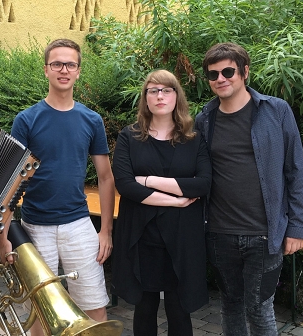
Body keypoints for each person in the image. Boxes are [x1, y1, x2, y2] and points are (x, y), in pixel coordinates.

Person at [0, 38, 115, 336]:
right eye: (57, 64)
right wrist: (3, 236)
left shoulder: (91, 119)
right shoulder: (26, 119)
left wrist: (106, 231)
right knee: (41, 311)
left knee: (95, 307)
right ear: (46, 70)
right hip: (35, 227)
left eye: (70, 64)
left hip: (78, 224)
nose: (64, 69)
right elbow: (12, 181)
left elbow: (105, 177)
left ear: (78, 71)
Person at [194, 42, 303, 336]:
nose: (221, 78)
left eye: (228, 71)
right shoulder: (204, 120)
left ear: (245, 72)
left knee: (260, 309)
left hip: (265, 233)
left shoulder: (276, 111)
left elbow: (296, 170)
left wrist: (297, 227)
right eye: (213, 74)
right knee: (230, 306)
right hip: (220, 233)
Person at [111, 69, 212, 336]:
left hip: (182, 237)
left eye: (167, 90)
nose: (160, 96)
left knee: (180, 311)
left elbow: (202, 184)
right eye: (153, 90)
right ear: (145, 98)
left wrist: (148, 180)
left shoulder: (194, 139)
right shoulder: (129, 137)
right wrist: (175, 201)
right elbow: (125, 184)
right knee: (145, 308)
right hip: (142, 237)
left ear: (177, 97)